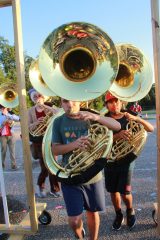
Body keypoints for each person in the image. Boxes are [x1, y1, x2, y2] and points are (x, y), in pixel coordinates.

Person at [52, 98, 121, 240]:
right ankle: (79, 237)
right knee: (74, 220)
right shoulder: (58, 122)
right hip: (70, 174)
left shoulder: (91, 116)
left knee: (92, 212)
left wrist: (96, 117)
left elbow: (117, 126)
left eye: (73, 101)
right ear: (61, 103)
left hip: (92, 175)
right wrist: (75, 144)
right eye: (65, 101)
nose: (70, 104)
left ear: (80, 101)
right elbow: (55, 150)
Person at [104, 91, 154, 231]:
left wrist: (137, 119)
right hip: (109, 160)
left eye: (117, 101)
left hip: (127, 160)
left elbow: (150, 128)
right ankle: (118, 214)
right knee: (113, 191)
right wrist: (117, 136)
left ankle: (130, 210)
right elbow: (99, 141)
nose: (115, 104)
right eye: (111, 102)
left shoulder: (129, 116)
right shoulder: (103, 119)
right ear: (107, 105)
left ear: (122, 102)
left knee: (125, 192)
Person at [28, 89, 61, 198]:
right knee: (44, 168)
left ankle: (55, 189)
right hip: (38, 143)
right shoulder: (30, 111)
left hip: (51, 141)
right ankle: (41, 187)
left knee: (53, 167)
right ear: (33, 98)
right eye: (36, 96)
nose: (38, 98)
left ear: (44, 97)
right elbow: (27, 127)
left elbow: (59, 113)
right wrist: (37, 123)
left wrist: (45, 106)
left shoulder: (49, 108)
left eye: (40, 95)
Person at [0, 104, 20, 170]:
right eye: (2, 108)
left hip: (11, 134)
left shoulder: (10, 113)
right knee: (4, 150)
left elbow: (18, 119)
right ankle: (2, 165)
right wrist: (3, 123)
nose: (4, 109)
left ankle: (13, 165)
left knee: (12, 150)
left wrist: (8, 115)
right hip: (3, 135)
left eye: (5, 108)